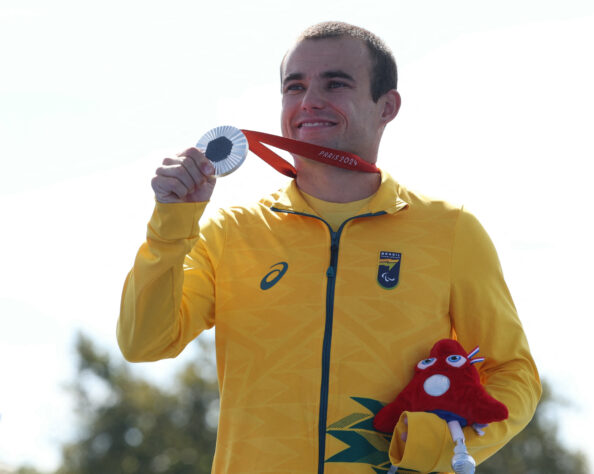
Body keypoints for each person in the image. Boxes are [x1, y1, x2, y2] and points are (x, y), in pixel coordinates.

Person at [118, 21, 541, 473]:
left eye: (335, 83)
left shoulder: (451, 230)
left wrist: (443, 446)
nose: (308, 102)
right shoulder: (231, 232)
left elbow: (513, 373)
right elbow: (145, 342)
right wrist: (171, 224)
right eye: (294, 86)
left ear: (387, 106)